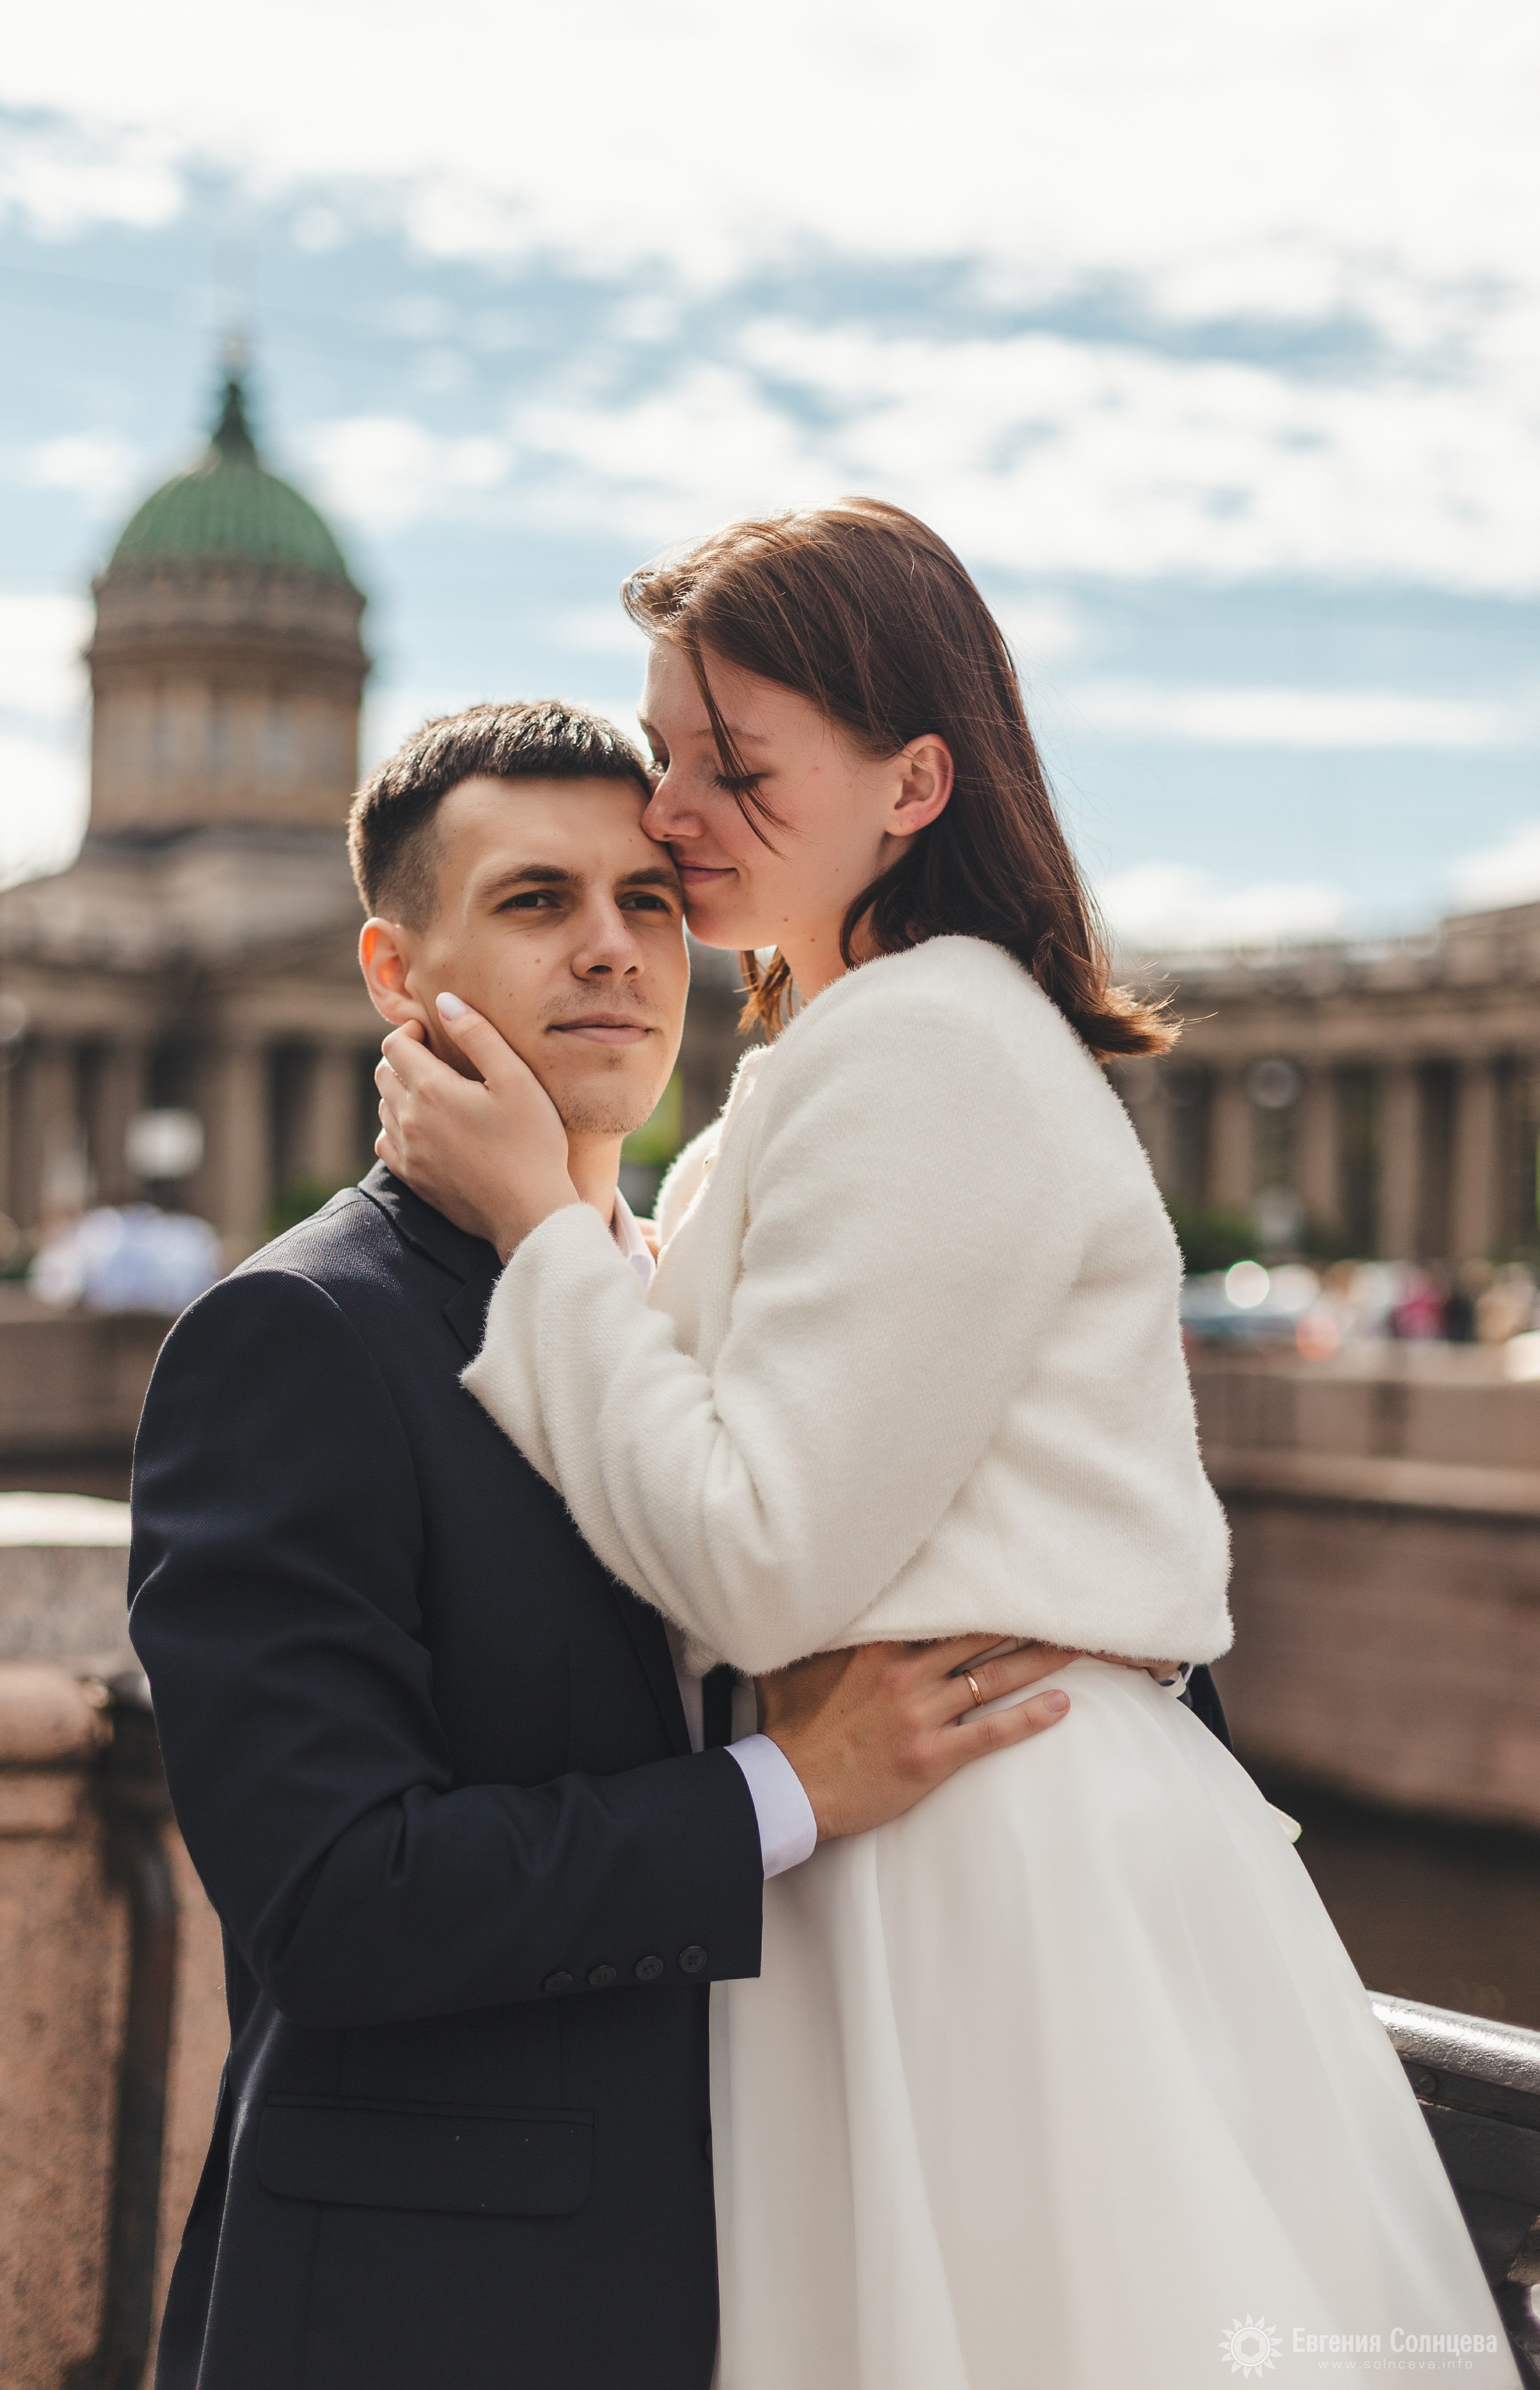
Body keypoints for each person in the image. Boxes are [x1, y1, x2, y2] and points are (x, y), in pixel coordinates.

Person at [375, 508, 1517, 2389]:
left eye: (738, 767)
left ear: (917, 782)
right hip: (941, 1827)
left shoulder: (924, 1051)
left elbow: (756, 1560)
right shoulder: (847, 1053)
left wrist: (537, 1232)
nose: (673, 811)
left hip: (973, 1861)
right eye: (670, 751)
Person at [128, 698, 1080, 2390]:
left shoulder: (728, 1319)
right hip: (438, 2319)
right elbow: (340, 1904)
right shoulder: (294, 1338)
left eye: (648, 901)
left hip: (777, 2266)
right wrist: (794, 1787)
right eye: (533, 901)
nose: (612, 952)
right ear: (390, 967)